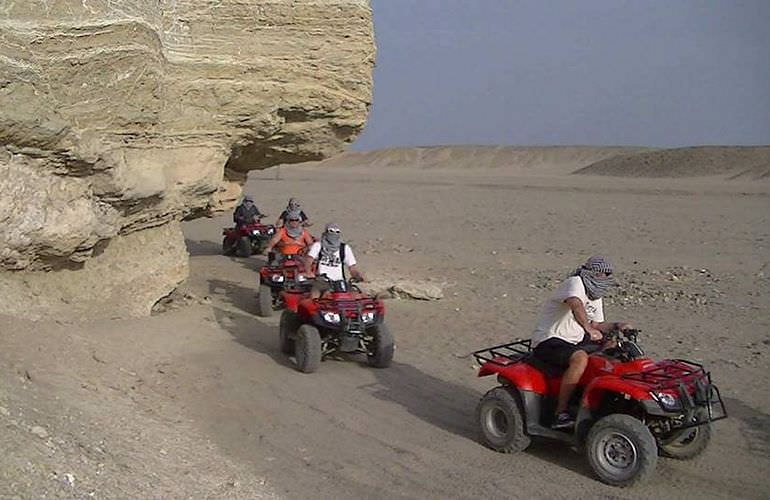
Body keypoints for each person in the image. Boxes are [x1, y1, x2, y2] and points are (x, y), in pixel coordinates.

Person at [530, 255, 632, 430]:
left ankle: (600, 402)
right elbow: (576, 305)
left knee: (614, 351)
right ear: (591, 273)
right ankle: (560, 413)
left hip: (575, 341)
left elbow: (597, 324)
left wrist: (618, 326)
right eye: (601, 274)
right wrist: (587, 328)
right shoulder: (575, 283)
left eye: (607, 275)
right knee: (580, 358)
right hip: (550, 339)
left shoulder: (595, 296)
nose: (605, 278)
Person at [305, 223, 364, 299]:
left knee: (356, 296)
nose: (334, 234)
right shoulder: (318, 245)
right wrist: (308, 272)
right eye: (331, 231)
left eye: (337, 232)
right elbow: (308, 260)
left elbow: (352, 267)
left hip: (340, 281)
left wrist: (357, 275)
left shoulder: (344, 248)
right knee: (315, 296)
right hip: (322, 281)